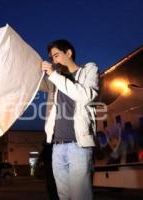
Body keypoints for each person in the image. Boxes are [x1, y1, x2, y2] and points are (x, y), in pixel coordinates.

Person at [40, 39, 99, 200]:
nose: (54, 60)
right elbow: (34, 82)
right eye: (52, 57)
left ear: (69, 53)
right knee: (63, 195)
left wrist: (53, 75)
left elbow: (85, 96)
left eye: (56, 55)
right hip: (58, 146)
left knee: (80, 195)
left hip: (78, 145)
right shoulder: (56, 80)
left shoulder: (89, 70)